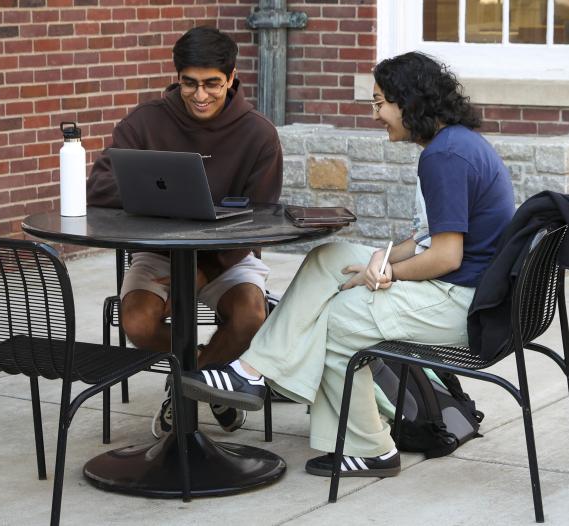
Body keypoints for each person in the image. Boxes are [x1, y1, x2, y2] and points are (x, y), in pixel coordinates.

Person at [178, 51, 515, 477]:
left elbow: (447, 256)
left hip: (462, 303)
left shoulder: (444, 157)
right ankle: (252, 371)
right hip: (468, 288)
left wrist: (387, 273)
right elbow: (431, 239)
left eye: (379, 103)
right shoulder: (457, 142)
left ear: (407, 102)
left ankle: (370, 449)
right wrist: (384, 257)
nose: (376, 115)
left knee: (335, 321)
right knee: (330, 258)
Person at [87, 26, 283, 436]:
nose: (200, 95)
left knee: (251, 314)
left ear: (231, 78)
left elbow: (260, 222)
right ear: (177, 78)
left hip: (229, 255)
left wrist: (200, 271)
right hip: (159, 253)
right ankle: (206, 382)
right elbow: (99, 187)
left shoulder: (259, 134)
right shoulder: (145, 123)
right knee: (137, 323)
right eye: (189, 83)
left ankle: (183, 390)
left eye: (212, 84)